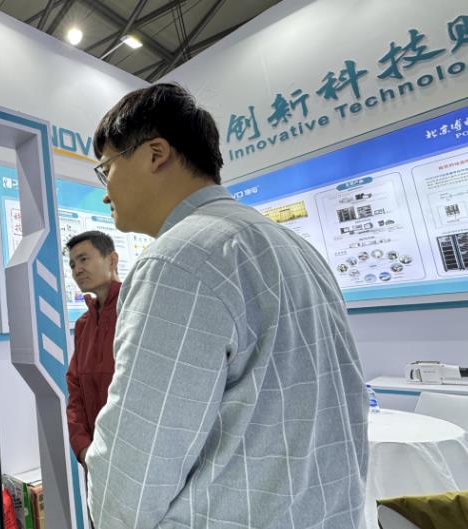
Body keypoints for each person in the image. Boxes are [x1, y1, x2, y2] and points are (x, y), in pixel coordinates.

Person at [84, 83, 368, 529]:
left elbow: (137, 463)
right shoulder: (295, 247)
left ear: (155, 154)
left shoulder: (176, 259)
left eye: (107, 169)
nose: (105, 192)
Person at [64, 230, 121, 469]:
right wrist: (83, 447)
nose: (77, 270)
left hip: (134, 455)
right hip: (94, 459)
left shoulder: (136, 312)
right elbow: (75, 390)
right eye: (72, 264)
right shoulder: (83, 324)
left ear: (112, 260)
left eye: (84, 259)